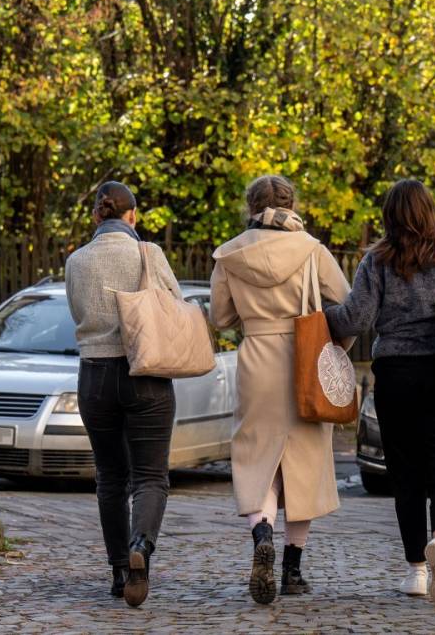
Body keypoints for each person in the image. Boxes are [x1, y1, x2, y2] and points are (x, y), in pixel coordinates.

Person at [325, 178, 435, 606]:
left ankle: (417, 571)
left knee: (405, 473)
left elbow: (356, 319)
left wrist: (322, 314)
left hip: (396, 375)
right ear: (429, 210)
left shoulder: (377, 260)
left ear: (389, 215)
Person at [209, 175, 352, 605]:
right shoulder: (312, 250)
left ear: (249, 206)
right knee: (304, 465)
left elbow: (219, 317)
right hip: (305, 360)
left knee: (257, 458)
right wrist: (334, 348)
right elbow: (347, 303)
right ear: (292, 204)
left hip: (256, 361)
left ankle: (261, 535)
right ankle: (292, 571)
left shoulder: (230, 255)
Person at [65, 181, 182, 608]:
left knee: (110, 477)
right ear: (133, 215)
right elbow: (173, 302)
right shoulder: (148, 254)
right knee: (151, 476)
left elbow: (76, 311)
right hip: (145, 373)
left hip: (94, 375)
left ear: (97, 216)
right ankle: (142, 550)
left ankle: (118, 571)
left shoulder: (76, 261)